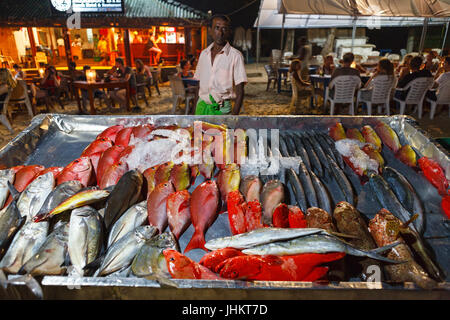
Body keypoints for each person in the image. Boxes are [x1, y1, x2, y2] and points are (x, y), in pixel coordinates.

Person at [194, 14, 247, 115]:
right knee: (198, 131)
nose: (220, 33)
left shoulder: (235, 56)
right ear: (210, 30)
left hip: (222, 110)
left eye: (224, 29)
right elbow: (198, 86)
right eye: (217, 28)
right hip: (201, 107)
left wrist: (233, 117)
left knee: (222, 131)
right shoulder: (204, 54)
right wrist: (193, 113)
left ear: (229, 32)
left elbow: (240, 91)